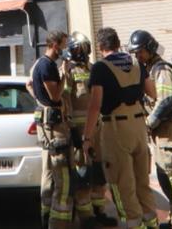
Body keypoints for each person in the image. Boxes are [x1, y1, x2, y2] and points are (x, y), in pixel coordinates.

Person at [83, 28, 157, 229]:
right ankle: (152, 223)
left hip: (116, 129)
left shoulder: (100, 68)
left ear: (100, 47)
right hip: (139, 127)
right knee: (142, 182)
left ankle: (133, 224)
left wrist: (87, 138)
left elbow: (95, 105)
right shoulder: (136, 63)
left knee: (121, 184)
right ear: (117, 43)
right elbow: (153, 92)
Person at [130, 30, 172, 229]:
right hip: (160, 133)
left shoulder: (161, 69)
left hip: (167, 131)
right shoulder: (150, 69)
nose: (137, 56)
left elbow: (166, 100)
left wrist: (148, 123)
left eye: (139, 51)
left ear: (149, 49)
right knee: (165, 176)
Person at [61, 32, 115, 228]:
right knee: (83, 173)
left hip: (98, 130)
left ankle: (99, 210)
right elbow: (64, 101)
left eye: (81, 49)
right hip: (80, 132)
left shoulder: (93, 69)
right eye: (77, 49)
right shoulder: (68, 72)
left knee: (99, 173)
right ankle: (86, 216)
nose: (79, 52)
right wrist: (72, 131)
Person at [31, 30, 75, 229]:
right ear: (55, 45)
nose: (65, 49)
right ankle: (58, 222)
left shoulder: (40, 64)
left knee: (48, 174)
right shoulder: (47, 66)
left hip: (47, 125)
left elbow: (29, 84)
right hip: (54, 128)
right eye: (64, 45)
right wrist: (64, 72)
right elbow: (56, 96)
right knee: (62, 176)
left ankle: (45, 216)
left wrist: (40, 102)